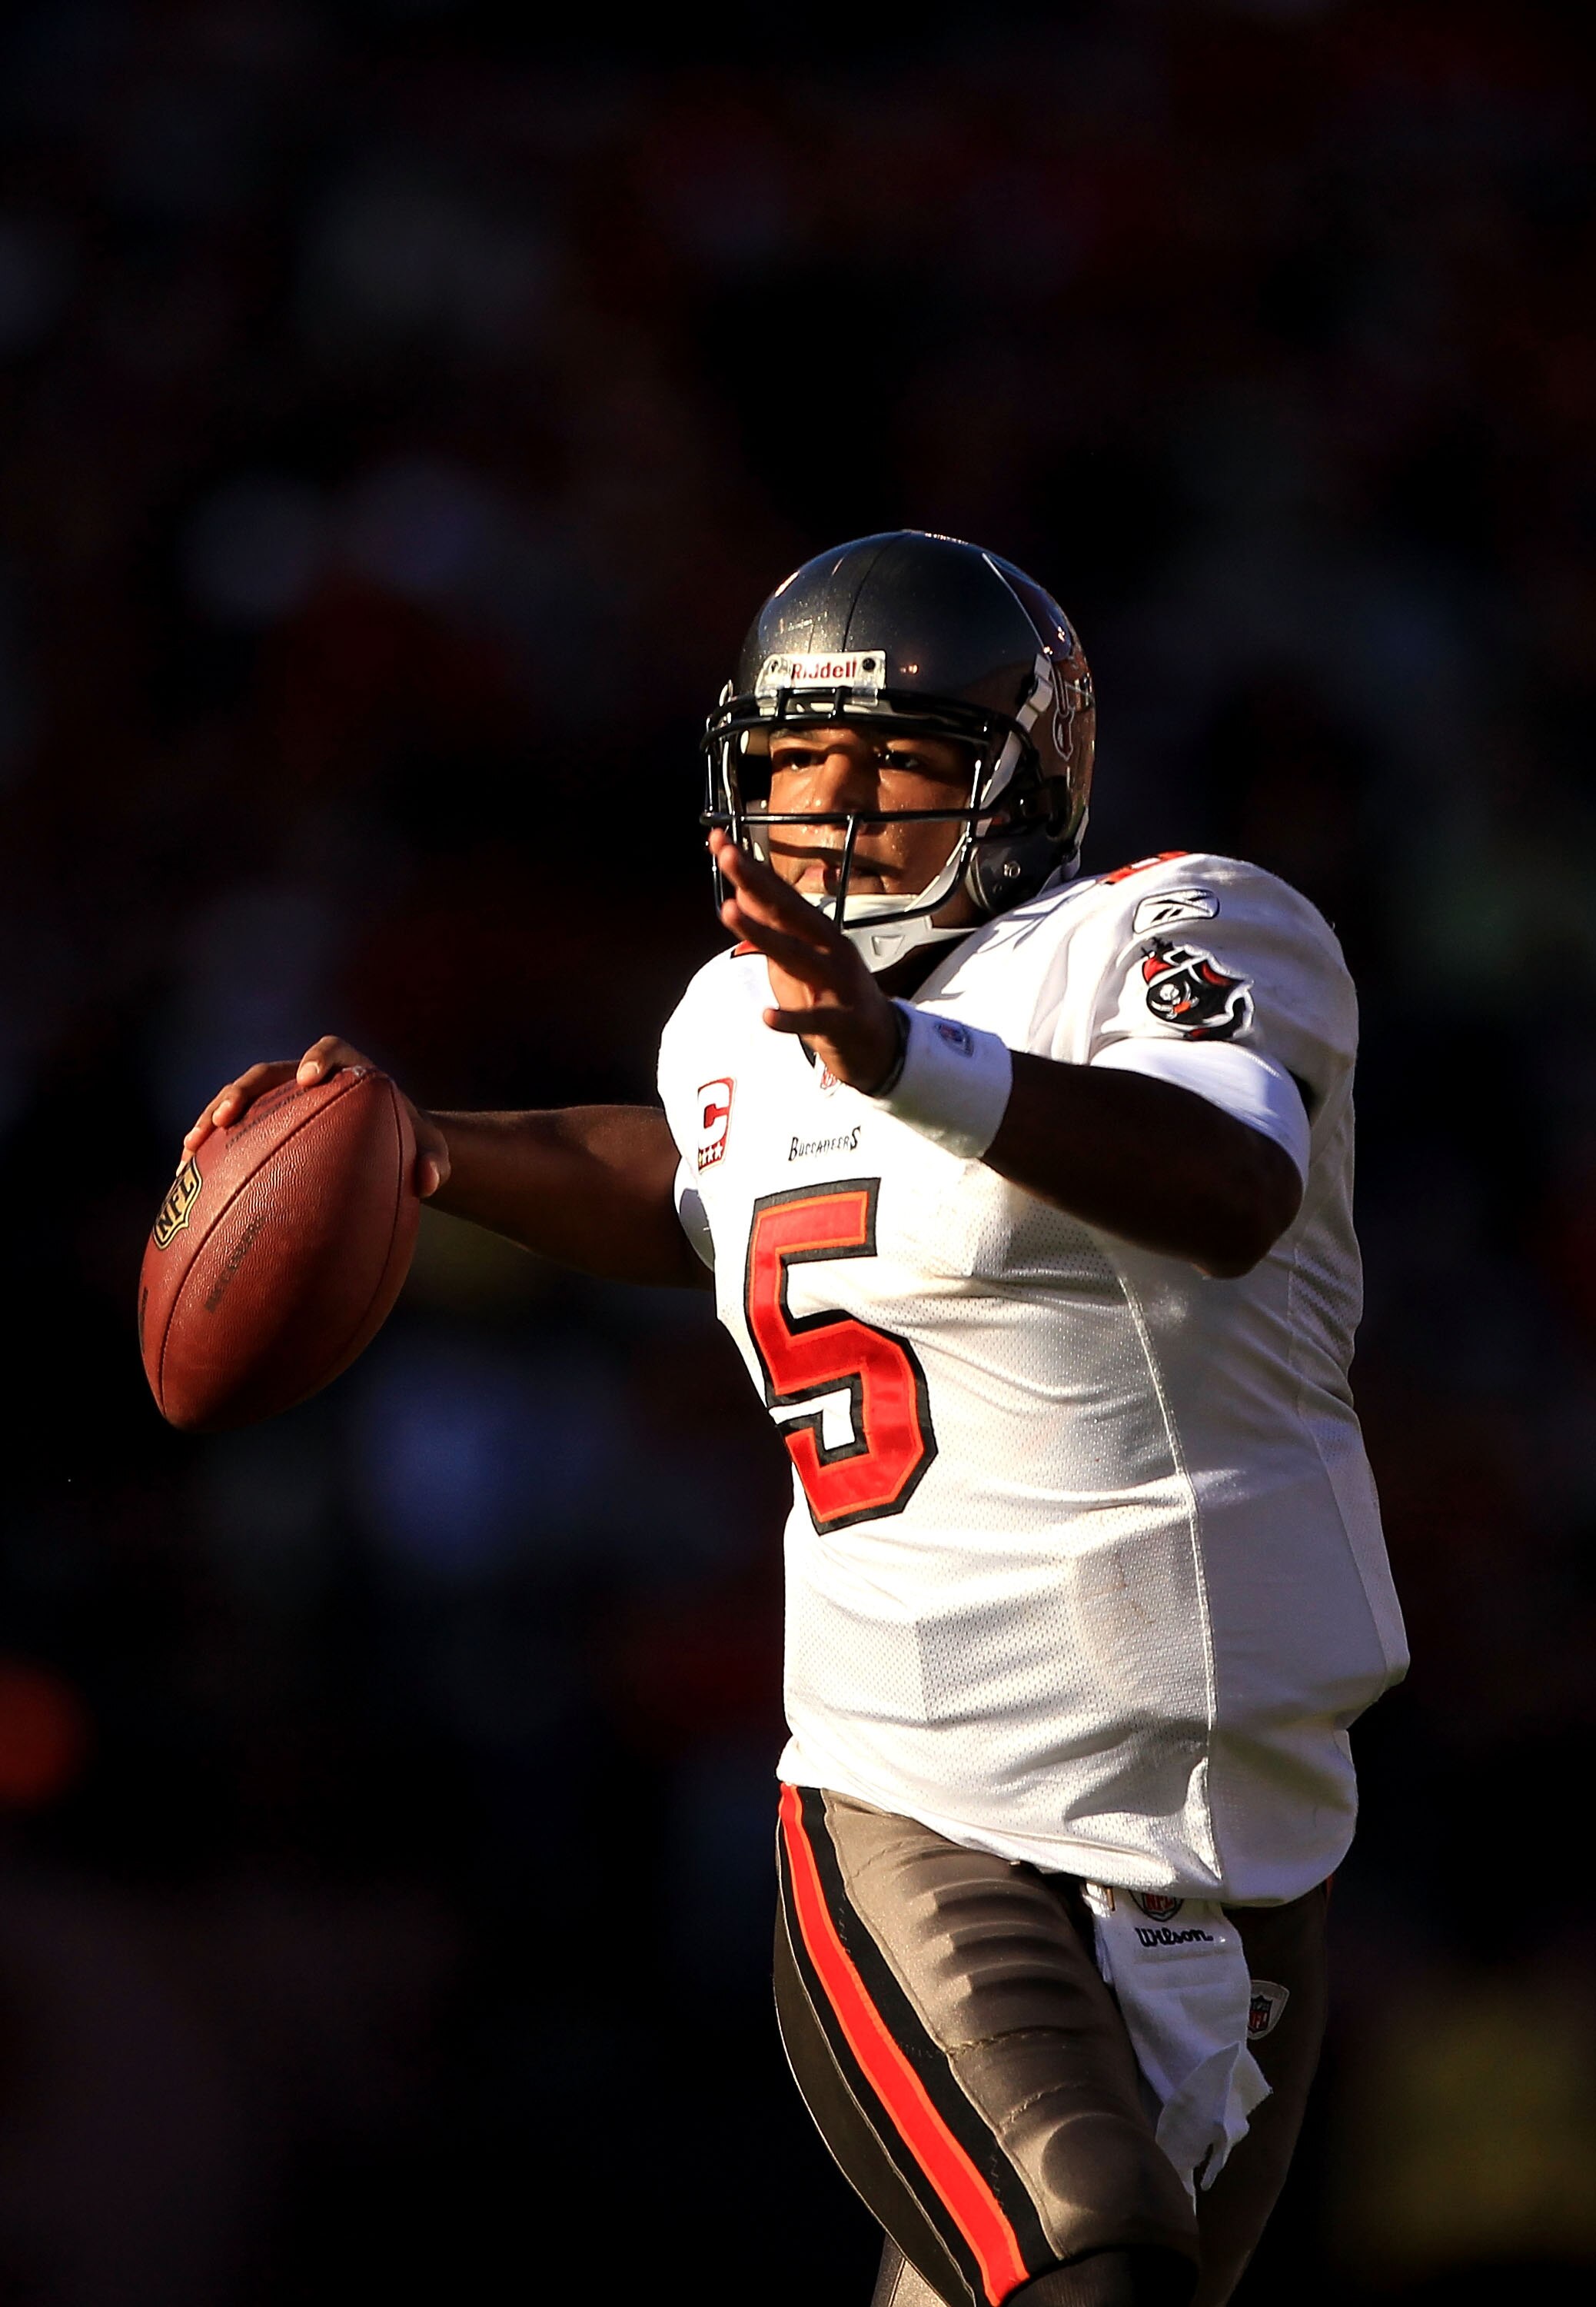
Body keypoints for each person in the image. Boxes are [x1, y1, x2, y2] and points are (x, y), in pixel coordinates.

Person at [187, 531, 1406, 2307]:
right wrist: (434, 1146)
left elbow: (1227, 1178)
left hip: (1239, 1839)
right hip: (927, 1794)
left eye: (899, 754)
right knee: (1093, 2263)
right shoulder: (738, 1021)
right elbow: (690, 1171)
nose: (834, 807)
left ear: (1023, 776)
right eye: (792, 760)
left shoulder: (1175, 926)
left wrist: (903, 1056)